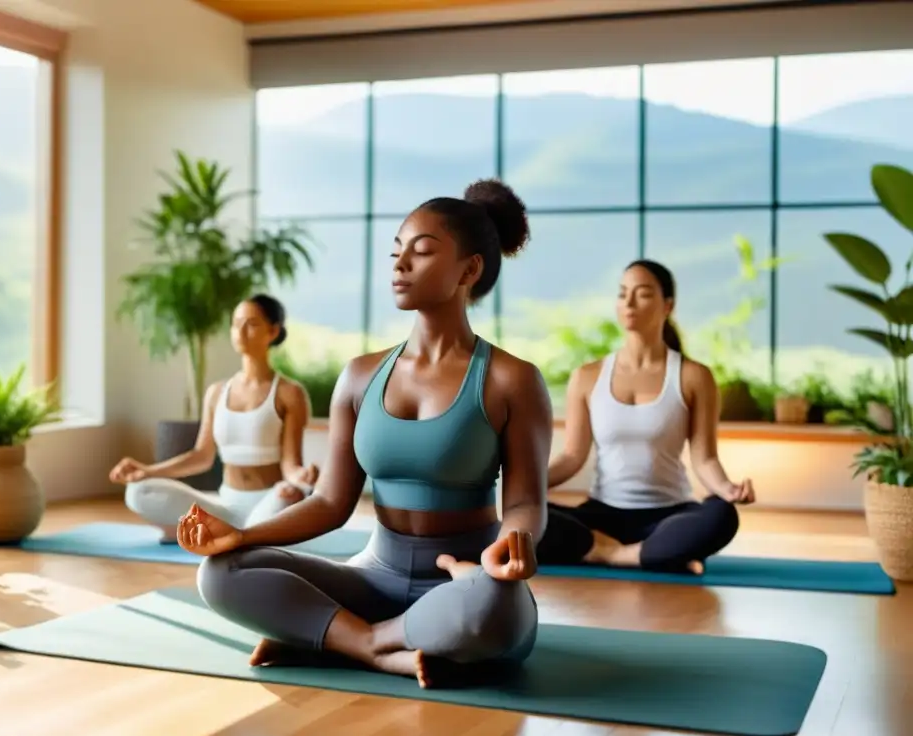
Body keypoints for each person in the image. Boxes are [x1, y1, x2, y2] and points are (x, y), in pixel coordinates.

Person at [176, 179, 552, 689]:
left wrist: (511, 542)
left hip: (466, 579)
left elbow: (527, 501)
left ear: (470, 269)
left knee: (496, 609)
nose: (400, 265)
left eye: (421, 253)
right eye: (397, 252)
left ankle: (330, 639)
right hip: (372, 574)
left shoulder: (512, 379)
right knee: (220, 573)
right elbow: (331, 501)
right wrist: (242, 536)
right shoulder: (359, 376)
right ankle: (373, 645)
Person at [537, 259, 753, 575]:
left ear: (668, 306)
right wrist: (525, 488)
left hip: (669, 516)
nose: (629, 302)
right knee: (520, 515)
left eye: (643, 293)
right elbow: (572, 456)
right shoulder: (586, 377)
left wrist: (728, 489)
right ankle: (646, 556)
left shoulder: (694, 377)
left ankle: (605, 552)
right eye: (623, 293)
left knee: (723, 515)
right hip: (602, 517)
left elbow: (704, 458)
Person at [109, 294, 319, 543]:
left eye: (251, 324)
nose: (240, 331)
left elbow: (290, 465)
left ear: (273, 332)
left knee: (288, 494)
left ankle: (232, 535)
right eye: (235, 323)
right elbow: (201, 456)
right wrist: (148, 471)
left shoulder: (289, 393)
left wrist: (302, 479)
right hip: (225, 505)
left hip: (269, 501)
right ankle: (221, 533)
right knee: (138, 491)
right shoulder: (217, 392)